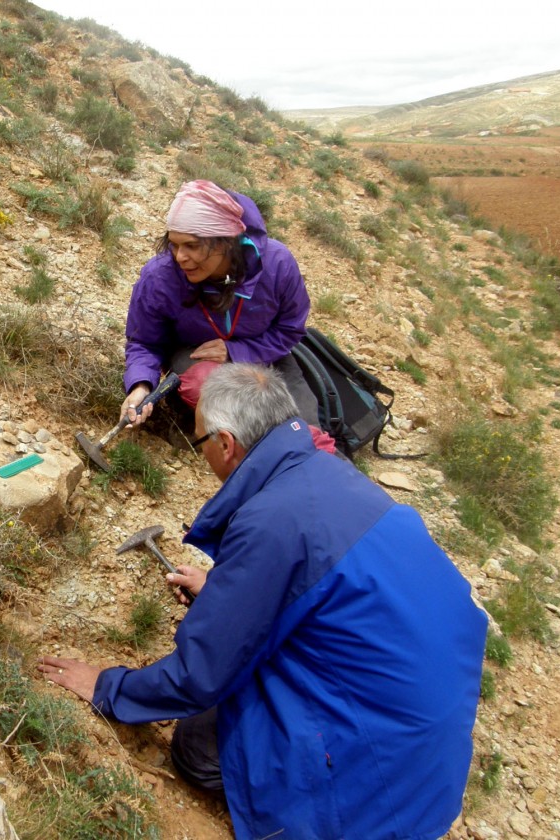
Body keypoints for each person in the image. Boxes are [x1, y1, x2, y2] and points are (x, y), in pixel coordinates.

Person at [41, 363, 487, 839]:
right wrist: (232, 592)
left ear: (226, 443)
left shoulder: (271, 520)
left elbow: (200, 675)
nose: (202, 455)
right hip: (432, 755)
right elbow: (325, 587)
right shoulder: (330, 474)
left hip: (378, 786)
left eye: (199, 444)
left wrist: (110, 689)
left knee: (200, 742)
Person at [120, 180, 320, 436]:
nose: (180, 257)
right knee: (206, 389)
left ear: (225, 243)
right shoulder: (159, 277)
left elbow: (289, 329)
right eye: (174, 244)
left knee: (308, 435)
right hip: (196, 355)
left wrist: (237, 350)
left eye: (192, 245)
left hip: (266, 354)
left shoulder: (277, 264)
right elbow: (144, 342)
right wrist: (140, 386)